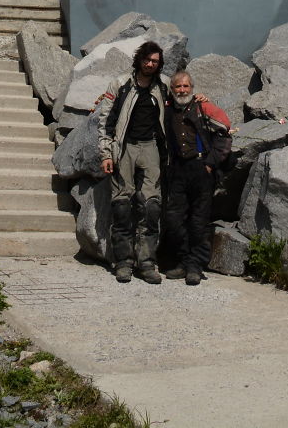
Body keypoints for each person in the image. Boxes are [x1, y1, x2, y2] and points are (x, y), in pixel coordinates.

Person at [98, 40, 169, 284]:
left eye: (155, 61)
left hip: (151, 148)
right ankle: (123, 262)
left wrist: (202, 100)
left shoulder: (164, 86)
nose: (150, 64)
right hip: (124, 148)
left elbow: (184, 100)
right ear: (139, 59)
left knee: (151, 206)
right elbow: (106, 120)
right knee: (121, 205)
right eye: (147, 59)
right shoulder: (121, 84)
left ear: (159, 64)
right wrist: (106, 154)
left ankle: (147, 263)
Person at [163, 70, 232, 286]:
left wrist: (211, 164)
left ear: (192, 88)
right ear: (171, 89)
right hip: (177, 170)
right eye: (177, 87)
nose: (182, 90)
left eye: (185, 87)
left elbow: (224, 132)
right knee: (174, 219)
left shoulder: (204, 107)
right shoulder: (167, 109)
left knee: (198, 221)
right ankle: (184, 261)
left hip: (201, 169)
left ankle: (195, 266)